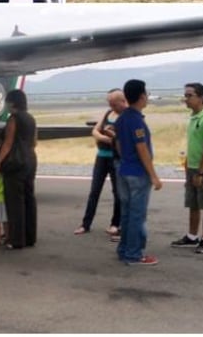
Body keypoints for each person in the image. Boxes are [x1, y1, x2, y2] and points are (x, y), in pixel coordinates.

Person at [114, 79, 163, 266]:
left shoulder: (122, 119)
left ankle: (124, 249)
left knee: (126, 213)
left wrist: (125, 158)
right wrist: (153, 175)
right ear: (142, 96)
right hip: (137, 173)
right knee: (137, 215)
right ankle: (134, 253)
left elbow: (118, 143)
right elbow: (142, 149)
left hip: (123, 169)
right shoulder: (136, 121)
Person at [172, 82, 203, 254]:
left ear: (201, 98)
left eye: (190, 95)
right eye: (186, 95)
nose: (186, 99)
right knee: (193, 203)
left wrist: (200, 171)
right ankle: (192, 236)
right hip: (192, 167)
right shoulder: (193, 118)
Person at [74, 88, 126, 239]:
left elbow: (121, 138)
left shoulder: (124, 116)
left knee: (117, 192)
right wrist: (105, 139)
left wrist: (111, 137)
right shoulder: (108, 113)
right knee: (94, 191)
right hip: (102, 156)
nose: (111, 106)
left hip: (115, 158)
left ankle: (115, 223)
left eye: (113, 103)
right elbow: (95, 131)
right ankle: (85, 224)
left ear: (120, 101)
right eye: (109, 103)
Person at [0, 89, 37, 250]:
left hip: (16, 161)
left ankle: (16, 239)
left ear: (12, 102)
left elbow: (8, 142)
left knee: (14, 201)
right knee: (28, 198)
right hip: (30, 159)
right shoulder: (31, 118)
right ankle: (29, 236)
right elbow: (34, 141)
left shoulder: (14, 118)